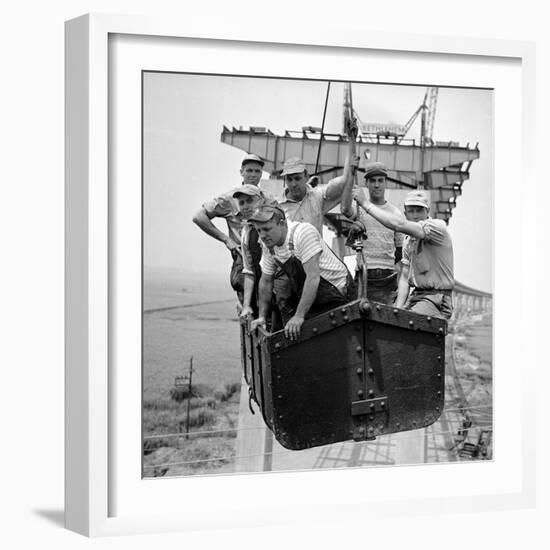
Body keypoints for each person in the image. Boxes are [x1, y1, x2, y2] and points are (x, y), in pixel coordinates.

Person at [249, 205, 356, 340]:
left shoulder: (303, 233)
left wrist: (299, 316)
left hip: (338, 294)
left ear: (282, 224)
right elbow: (266, 280)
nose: (262, 236)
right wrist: (262, 317)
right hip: (316, 297)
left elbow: (313, 277)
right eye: (259, 231)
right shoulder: (269, 244)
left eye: (267, 229)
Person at [352, 188, 454, 319]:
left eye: (419, 210)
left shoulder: (437, 227)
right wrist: (396, 309)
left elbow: (398, 225)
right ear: (405, 213)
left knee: (406, 324)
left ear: (428, 211)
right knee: (390, 320)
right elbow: (405, 278)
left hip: (437, 298)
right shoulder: (409, 241)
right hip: (418, 297)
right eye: (411, 211)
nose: (415, 215)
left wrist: (365, 203)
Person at [192, 154, 266, 305]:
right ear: (241, 172)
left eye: (257, 171)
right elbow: (199, 217)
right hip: (243, 254)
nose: (253, 175)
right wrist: (226, 239)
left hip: (265, 255)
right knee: (242, 283)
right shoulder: (230, 198)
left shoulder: (266, 197)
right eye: (249, 170)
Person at [341, 160, 404, 304]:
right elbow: (344, 209)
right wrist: (350, 175)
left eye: (380, 181)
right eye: (373, 181)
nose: (377, 185)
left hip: (387, 278)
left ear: (385, 183)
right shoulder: (359, 210)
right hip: (363, 274)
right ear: (366, 184)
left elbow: (399, 251)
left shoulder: (396, 213)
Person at [277, 153, 352, 235]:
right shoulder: (278, 207)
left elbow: (345, 181)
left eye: (297, 178)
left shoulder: (317, 196)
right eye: (289, 179)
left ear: (306, 176)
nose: (293, 184)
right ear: (285, 179)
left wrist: (351, 144)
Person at [232, 185, 277, 318]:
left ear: (261, 200)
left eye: (249, 201)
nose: (245, 206)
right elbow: (249, 270)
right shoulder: (246, 231)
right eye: (241, 203)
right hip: (263, 293)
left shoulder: (274, 223)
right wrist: (246, 305)